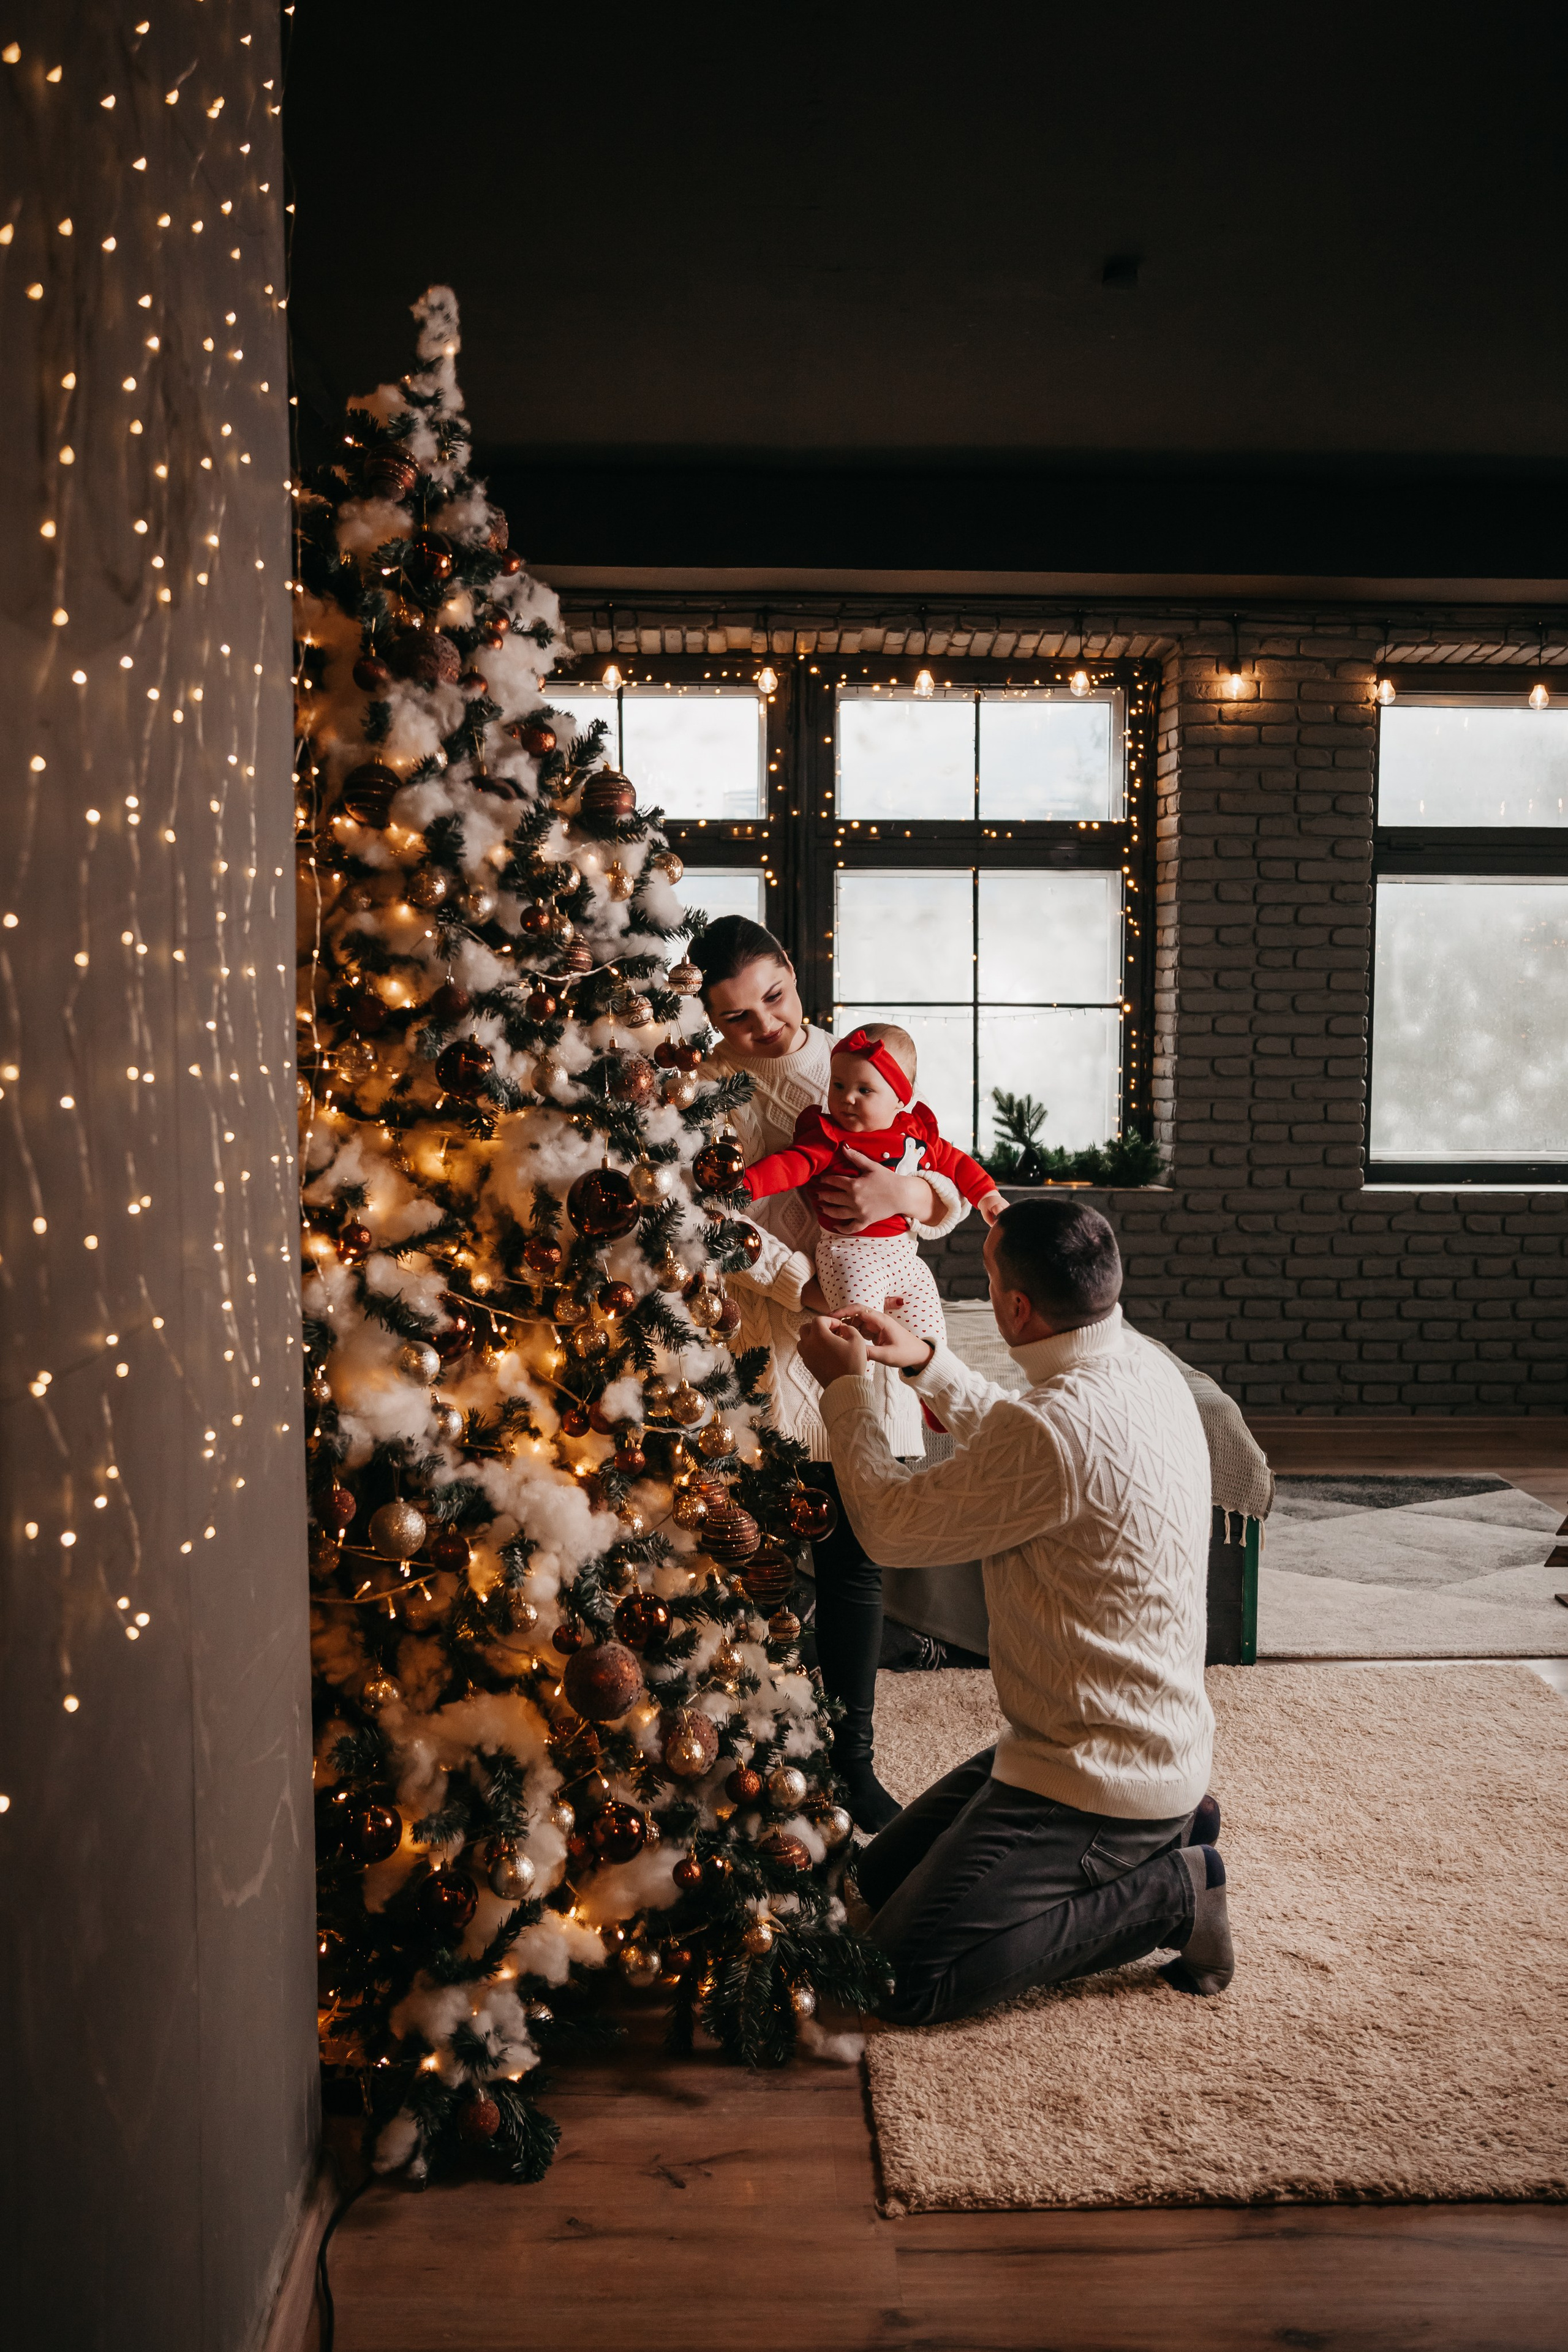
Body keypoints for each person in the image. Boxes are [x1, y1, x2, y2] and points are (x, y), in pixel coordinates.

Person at [796, 1194, 1234, 2026]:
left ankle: (1175, 1893)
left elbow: (889, 1528)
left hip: (1097, 1779)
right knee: (868, 1890)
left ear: (1016, 1307)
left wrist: (848, 1390)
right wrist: (926, 1359)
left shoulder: (1057, 1428)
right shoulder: (1139, 1364)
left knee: (899, 1981)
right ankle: (1176, 1833)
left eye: (988, 1276)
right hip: (1094, 1742)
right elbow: (1029, 1446)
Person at [690, 916, 970, 1831]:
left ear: (793, 975)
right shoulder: (701, 1097)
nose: (763, 1025)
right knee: (753, 1557)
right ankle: (759, 1755)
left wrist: (908, 1194)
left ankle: (853, 1765)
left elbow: (949, 1181)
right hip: (762, 1349)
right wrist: (798, 1278)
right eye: (735, 1018)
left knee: (853, 1560)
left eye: (773, 997)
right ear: (709, 1019)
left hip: (862, 1351)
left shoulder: (857, 1063)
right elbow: (702, 1224)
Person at [741, 1019, 1005, 1348]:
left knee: (930, 1343)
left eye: (864, 1090)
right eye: (838, 1086)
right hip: (850, 1254)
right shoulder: (830, 1137)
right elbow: (790, 1165)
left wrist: (987, 1195)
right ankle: (854, 1389)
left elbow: (957, 1162)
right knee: (859, 1340)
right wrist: (746, 1183)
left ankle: (926, 1394)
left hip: (907, 1259)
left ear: (899, 1099)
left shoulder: (916, 1133)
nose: (847, 1098)